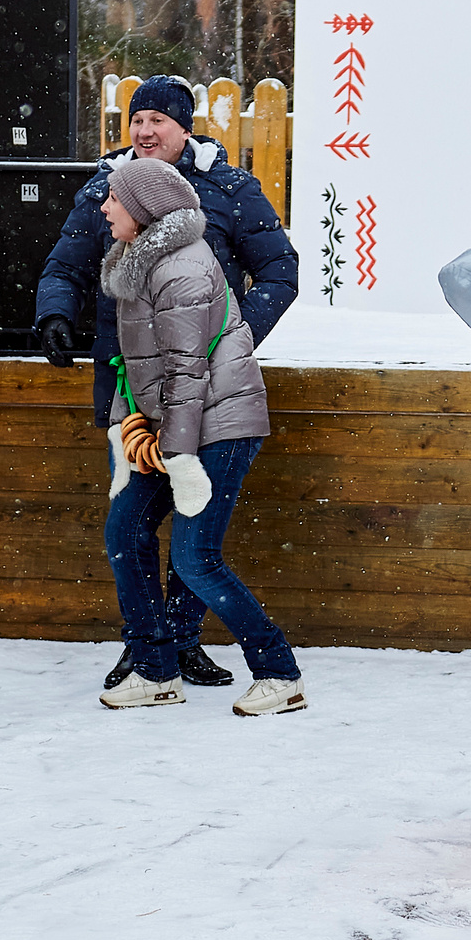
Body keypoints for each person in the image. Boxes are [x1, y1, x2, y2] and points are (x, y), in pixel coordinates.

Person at [35, 76, 299, 692]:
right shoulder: (108, 188)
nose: (145, 132)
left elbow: (279, 272)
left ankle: (183, 644)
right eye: (137, 121)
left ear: (185, 128)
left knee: (189, 527)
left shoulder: (229, 192)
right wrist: (55, 313)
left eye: (159, 120)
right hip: (132, 381)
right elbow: (66, 264)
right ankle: (148, 650)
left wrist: (225, 338)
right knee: (135, 521)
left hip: (197, 386)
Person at [94, 156, 303, 716]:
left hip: (220, 427)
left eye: (115, 198)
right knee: (126, 530)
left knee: (194, 557)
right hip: (179, 426)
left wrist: (176, 451)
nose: (105, 206)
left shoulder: (180, 268)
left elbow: (188, 372)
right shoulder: (139, 260)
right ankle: (154, 669)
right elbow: (134, 363)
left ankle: (279, 672)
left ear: (142, 210)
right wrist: (128, 425)